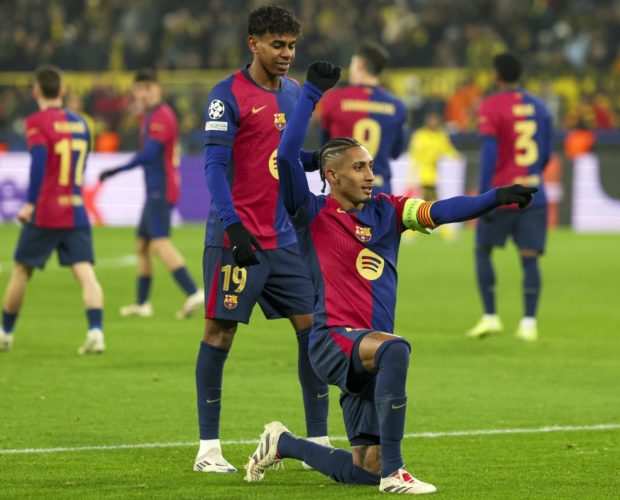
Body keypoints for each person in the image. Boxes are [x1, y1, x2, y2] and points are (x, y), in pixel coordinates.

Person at [243, 61, 536, 494]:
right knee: (396, 349)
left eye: (370, 166)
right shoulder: (311, 213)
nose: (370, 175)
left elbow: (441, 210)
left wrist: (495, 198)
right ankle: (397, 474)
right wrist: (310, 95)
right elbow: (285, 157)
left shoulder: (389, 210)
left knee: (364, 469)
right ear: (332, 175)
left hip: (368, 347)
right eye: (359, 168)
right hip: (333, 340)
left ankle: (283, 443)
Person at [192, 5, 330, 474]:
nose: (287, 54)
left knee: (313, 333)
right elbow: (212, 168)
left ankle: (320, 441)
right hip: (236, 239)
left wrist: (327, 158)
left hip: (284, 240)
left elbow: (288, 158)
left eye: (292, 45)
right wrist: (231, 226)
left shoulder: (294, 93)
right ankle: (208, 450)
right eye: (277, 44)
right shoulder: (225, 95)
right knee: (220, 333)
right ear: (253, 43)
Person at [0, 65, 105, 355]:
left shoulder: (36, 122)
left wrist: (30, 203)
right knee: (85, 272)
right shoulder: (82, 123)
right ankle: (96, 331)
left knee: (21, 270)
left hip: (46, 209)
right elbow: (82, 165)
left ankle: (5, 334)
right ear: (62, 91)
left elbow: (38, 163)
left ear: (36, 92)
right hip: (75, 205)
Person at [98, 70, 202, 320]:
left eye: (148, 87)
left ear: (158, 89)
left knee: (159, 242)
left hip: (161, 188)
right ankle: (142, 303)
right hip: (155, 188)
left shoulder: (161, 117)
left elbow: (149, 154)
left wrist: (115, 169)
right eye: (139, 88)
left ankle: (193, 291)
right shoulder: (151, 115)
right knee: (142, 244)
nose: (143, 93)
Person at [465, 53, 553, 342]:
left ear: (496, 75)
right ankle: (529, 323)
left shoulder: (491, 105)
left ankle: (490, 317)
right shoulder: (540, 107)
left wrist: (484, 197)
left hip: (502, 194)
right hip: (533, 194)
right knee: (529, 259)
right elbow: (548, 151)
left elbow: (489, 155)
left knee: (482, 250)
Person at [318, 41, 407, 195]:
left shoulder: (334, 100)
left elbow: (324, 146)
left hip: (343, 193)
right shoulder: (397, 106)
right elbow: (396, 152)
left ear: (359, 65)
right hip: (380, 193)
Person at [408, 111, 460, 202]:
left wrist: (458, 158)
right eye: (432, 120)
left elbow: (449, 151)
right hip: (422, 175)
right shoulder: (420, 135)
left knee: (432, 201)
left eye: (436, 121)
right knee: (422, 201)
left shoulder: (441, 135)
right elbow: (415, 154)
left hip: (435, 176)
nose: (434, 123)